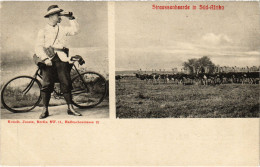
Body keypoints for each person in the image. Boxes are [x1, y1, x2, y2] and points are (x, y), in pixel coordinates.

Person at [35, 5, 82, 119]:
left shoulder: (63, 28)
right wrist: (45, 59)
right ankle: (45, 109)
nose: (60, 16)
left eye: (60, 14)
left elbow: (75, 31)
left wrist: (71, 18)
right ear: (51, 16)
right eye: (57, 14)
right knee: (46, 84)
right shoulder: (43, 31)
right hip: (48, 59)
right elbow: (38, 47)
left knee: (65, 82)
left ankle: (70, 108)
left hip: (61, 58)